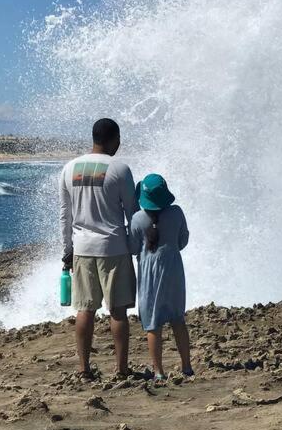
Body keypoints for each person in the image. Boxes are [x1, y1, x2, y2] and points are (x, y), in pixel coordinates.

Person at [59, 118, 139, 379]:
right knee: (118, 311)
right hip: (113, 247)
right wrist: (137, 247)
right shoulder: (120, 169)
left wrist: (67, 251)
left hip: (82, 248)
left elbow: (65, 216)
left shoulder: (69, 168)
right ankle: (121, 370)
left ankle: (84, 369)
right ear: (114, 139)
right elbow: (133, 214)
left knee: (85, 309)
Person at [129, 173, 193, 380]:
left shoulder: (137, 219)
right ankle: (187, 367)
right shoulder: (176, 213)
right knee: (177, 319)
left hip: (149, 273)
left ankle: (158, 372)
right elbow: (183, 240)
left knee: (152, 324)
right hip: (174, 269)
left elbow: (132, 248)